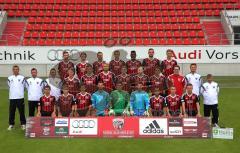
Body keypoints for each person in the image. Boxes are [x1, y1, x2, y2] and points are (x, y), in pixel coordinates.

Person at [7, 65, 26, 130]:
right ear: (13, 70)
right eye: (14, 69)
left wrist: (20, 93)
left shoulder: (22, 77)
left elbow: (24, 87)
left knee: (21, 112)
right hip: (12, 98)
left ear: (18, 70)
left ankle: (23, 124)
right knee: (12, 111)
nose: (15, 70)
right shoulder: (9, 78)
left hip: (20, 98)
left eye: (17, 69)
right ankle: (11, 124)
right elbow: (9, 86)